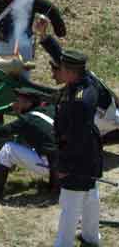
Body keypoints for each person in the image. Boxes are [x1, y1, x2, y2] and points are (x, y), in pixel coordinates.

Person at [35, 17, 119, 145]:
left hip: (105, 122)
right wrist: (43, 33)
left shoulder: (85, 92)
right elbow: (59, 55)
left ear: (70, 72)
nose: (53, 76)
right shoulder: (80, 75)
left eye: (60, 70)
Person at [53, 50, 103, 247]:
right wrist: (47, 39)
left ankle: (63, 244)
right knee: (91, 196)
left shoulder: (81, 101)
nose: (58, 71)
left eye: (61, 68)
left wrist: (65, 165)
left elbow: (76, 138)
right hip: (89, 154)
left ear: (70, 72)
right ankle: (91, 237)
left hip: (78, 156)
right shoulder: (87, 81)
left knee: (70, 204)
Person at [0, 87, 58, 200]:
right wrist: (19, 112)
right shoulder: (51, 108)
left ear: (28, 103)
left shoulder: (27, 120)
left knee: (8, 150)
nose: (15, 103)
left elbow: (0, 131)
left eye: (18, 101)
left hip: (56, 168)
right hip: (72, 164)